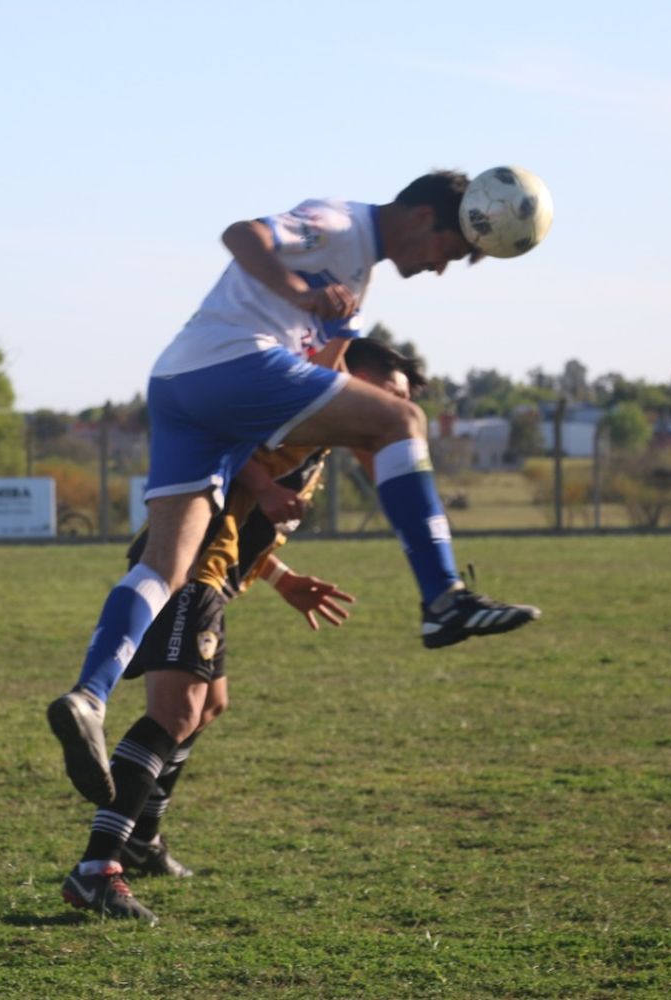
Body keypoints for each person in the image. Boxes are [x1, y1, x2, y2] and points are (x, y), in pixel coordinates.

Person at [48, 172, 542, 808]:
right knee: (403, 418)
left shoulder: (357, 283)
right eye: (449, 251)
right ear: (422, 218)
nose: (439, 269)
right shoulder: (340, 224)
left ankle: (89, 695)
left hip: (180, 384)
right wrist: (300, 289)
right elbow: (242, 234)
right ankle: (443, 596)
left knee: (166, 564)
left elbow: (323, 374)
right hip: (231, 366)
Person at [61, 339, 416, 922]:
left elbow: (244, 510)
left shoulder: (318, 439)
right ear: (347, 375)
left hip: (214, 575)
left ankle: (141, 840)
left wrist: (279, 577)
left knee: (207, 707)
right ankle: (97, 867)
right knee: (175, 712)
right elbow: (223, 445)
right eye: (386, 395)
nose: (389, 412)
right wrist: (267, 484)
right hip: (190, 567)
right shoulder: (294, 406)